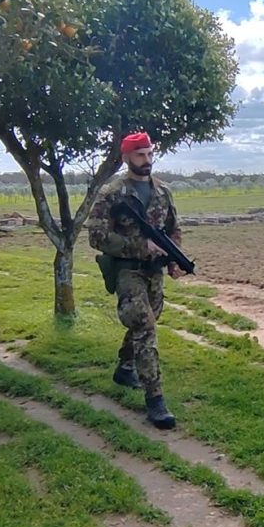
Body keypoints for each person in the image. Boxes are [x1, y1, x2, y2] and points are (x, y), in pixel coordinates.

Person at [87, 132, 185, 430]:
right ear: (127, 156)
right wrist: (140, 248)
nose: (147, 160)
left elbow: (173, 230)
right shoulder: (112, 193)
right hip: (127, 270)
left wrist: (174, 260)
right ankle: (155, 399)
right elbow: (97, 236)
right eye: (140, 154)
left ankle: (125, 366)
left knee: (150, 317)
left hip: (154, 271)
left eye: (150, 153)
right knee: (144, 325)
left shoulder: (162, 192)